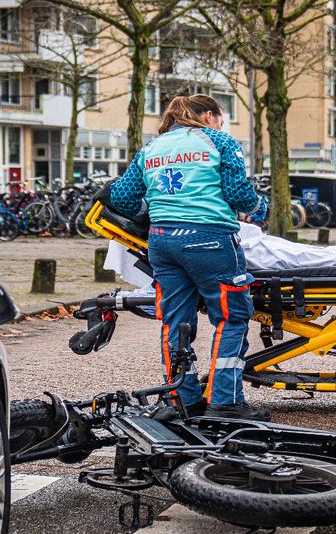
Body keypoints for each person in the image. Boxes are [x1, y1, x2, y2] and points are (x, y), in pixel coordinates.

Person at [108, 94, 270, 420]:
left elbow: (122, 198)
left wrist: (155, 207)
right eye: (220, 119)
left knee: (175, 321)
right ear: (209, 116)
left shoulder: (152, 149)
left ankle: (181, 399)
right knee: (231, 316)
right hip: (209, 239)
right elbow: (239, 193)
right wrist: (260, 209)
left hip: (162, 242)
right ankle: (225, 401)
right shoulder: (220, 141)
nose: (221, 125)